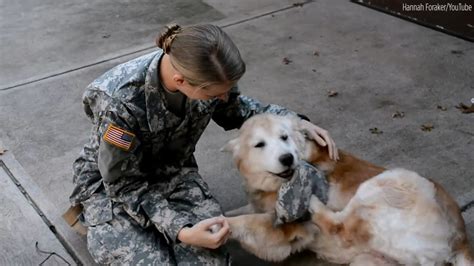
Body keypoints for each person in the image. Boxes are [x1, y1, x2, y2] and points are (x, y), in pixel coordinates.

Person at [69, 24, 339, 265]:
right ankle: (97, 222)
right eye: (215, 93)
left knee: (209, 260)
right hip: (113, 188)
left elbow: (237, 108)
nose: (223, 97)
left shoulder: (209, 75)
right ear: (180, 81)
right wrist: (182, 230)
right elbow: (122, 183)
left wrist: (296, 122)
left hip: (174, 175)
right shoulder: (120, 103)